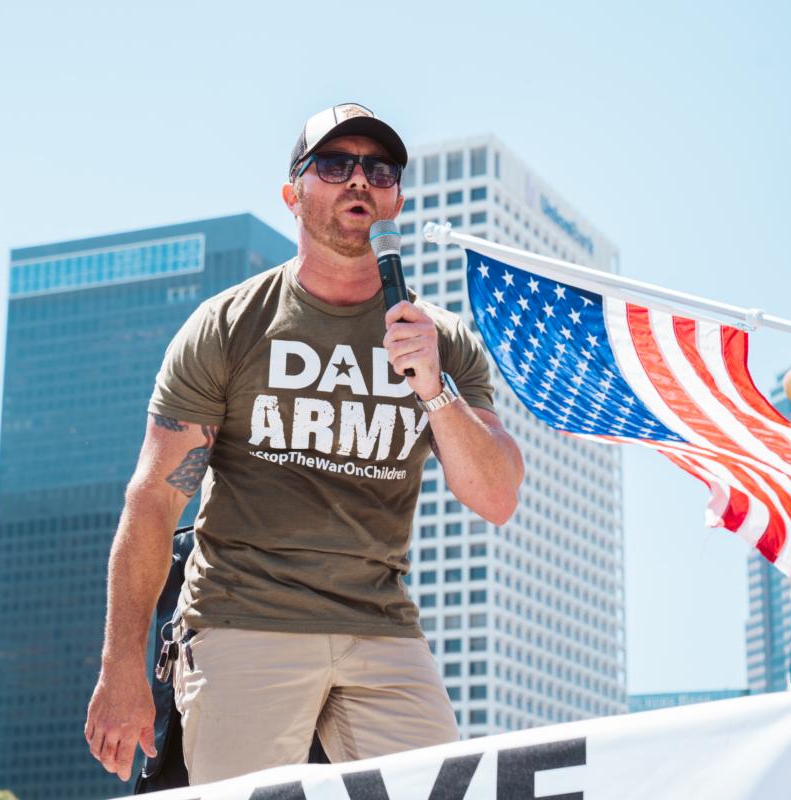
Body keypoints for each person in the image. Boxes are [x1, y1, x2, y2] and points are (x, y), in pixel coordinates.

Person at [84, 102, 524, 786]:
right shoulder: (228, 326)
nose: (359, 181)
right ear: (293, 194)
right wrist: (120, 669)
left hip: (381, 625)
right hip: (242, 617)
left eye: (378, 170)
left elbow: (496, 496)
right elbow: (152, 501)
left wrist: (434, 388)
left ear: (396, 199)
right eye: (334, 165)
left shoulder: (440, 338)